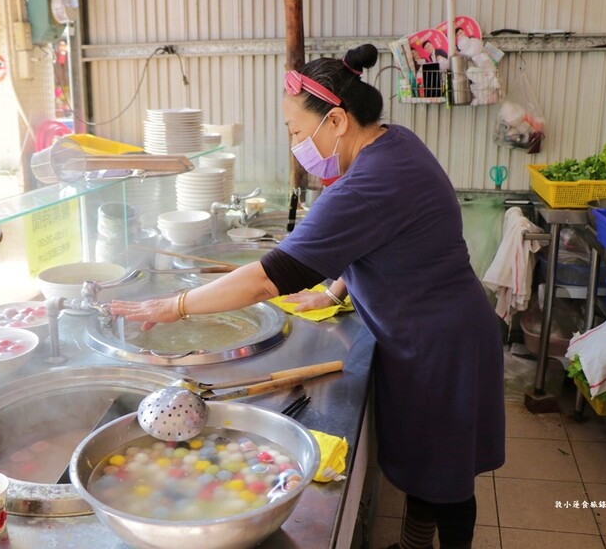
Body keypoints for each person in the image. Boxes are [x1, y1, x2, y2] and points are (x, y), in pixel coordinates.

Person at [110, 44, 505, 549]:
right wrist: (335, 289)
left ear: (336, 120)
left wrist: (175, 306)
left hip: (440, 345)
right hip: (436, 329)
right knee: (427, 467)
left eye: (296, 131)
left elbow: (268, 279)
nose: (296, 144)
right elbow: (384, 236)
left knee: (446, 480)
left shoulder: (367, 183)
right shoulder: (394, 143)